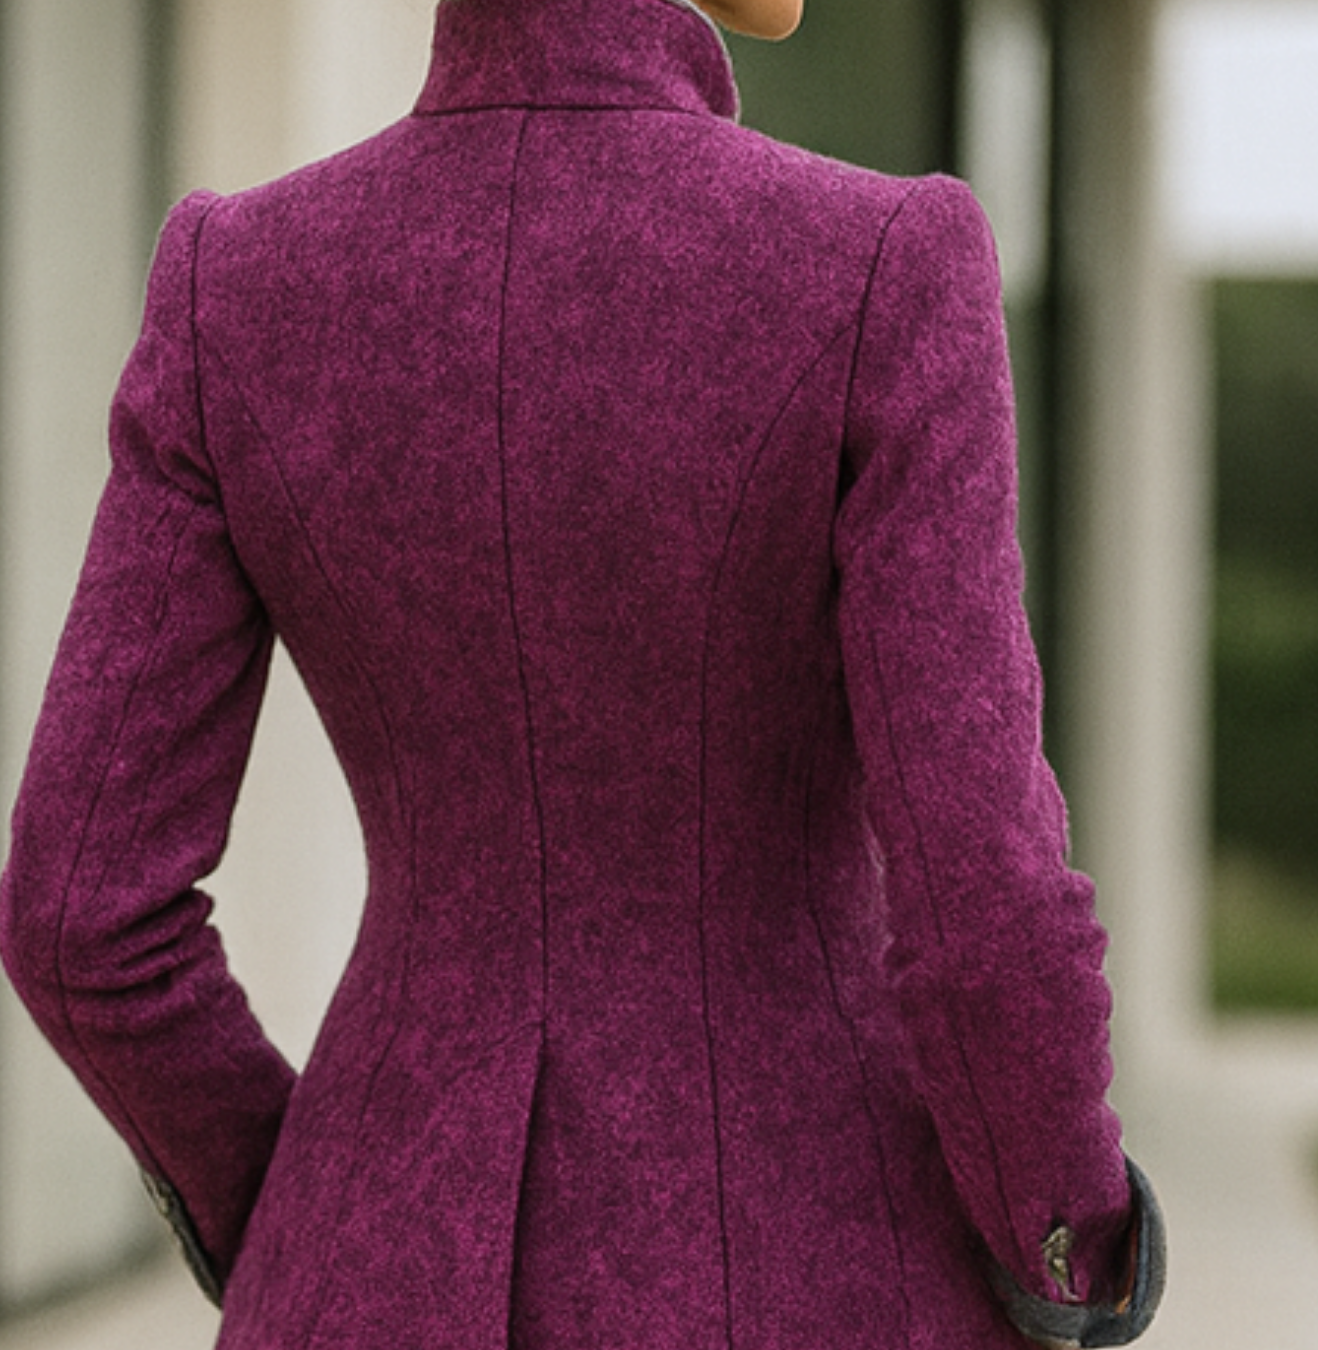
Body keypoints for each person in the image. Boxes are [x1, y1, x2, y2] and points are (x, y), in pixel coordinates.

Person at [0, 0, 1164, 1345]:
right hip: (824, 1274)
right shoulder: (877, 265)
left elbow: (80, 914)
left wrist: (316, 1214)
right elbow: (980, 898)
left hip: (361, 1275)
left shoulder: (237, 283)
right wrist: (1072, 1236)